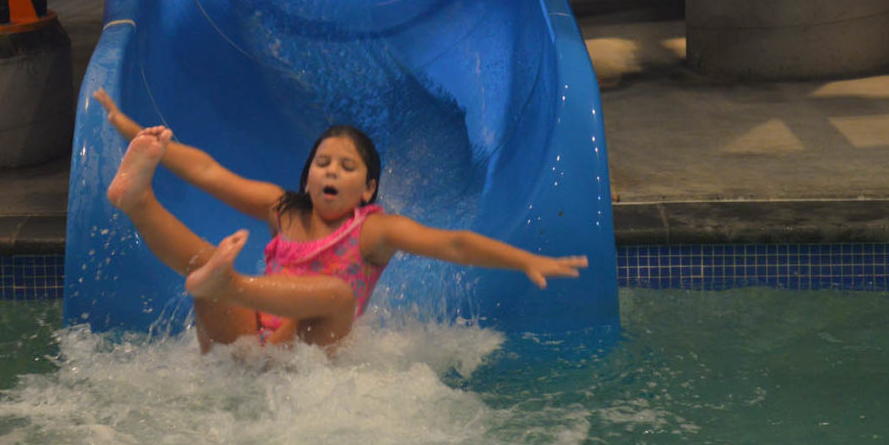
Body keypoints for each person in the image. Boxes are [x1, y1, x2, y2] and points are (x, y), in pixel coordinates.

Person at [95, 89, 587, 351]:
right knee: (200, 265)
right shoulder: (282, 208)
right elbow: (207, 171)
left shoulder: (373, 230)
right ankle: (138, 202)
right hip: (246, 345)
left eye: (347, 167)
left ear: (367, 189)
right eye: (323, 163)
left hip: (307, 354)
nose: (332, 171)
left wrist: (525, 260)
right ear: (307, 176)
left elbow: (455, 244)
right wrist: (141, 137)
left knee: (335, 294)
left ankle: (228, 285)